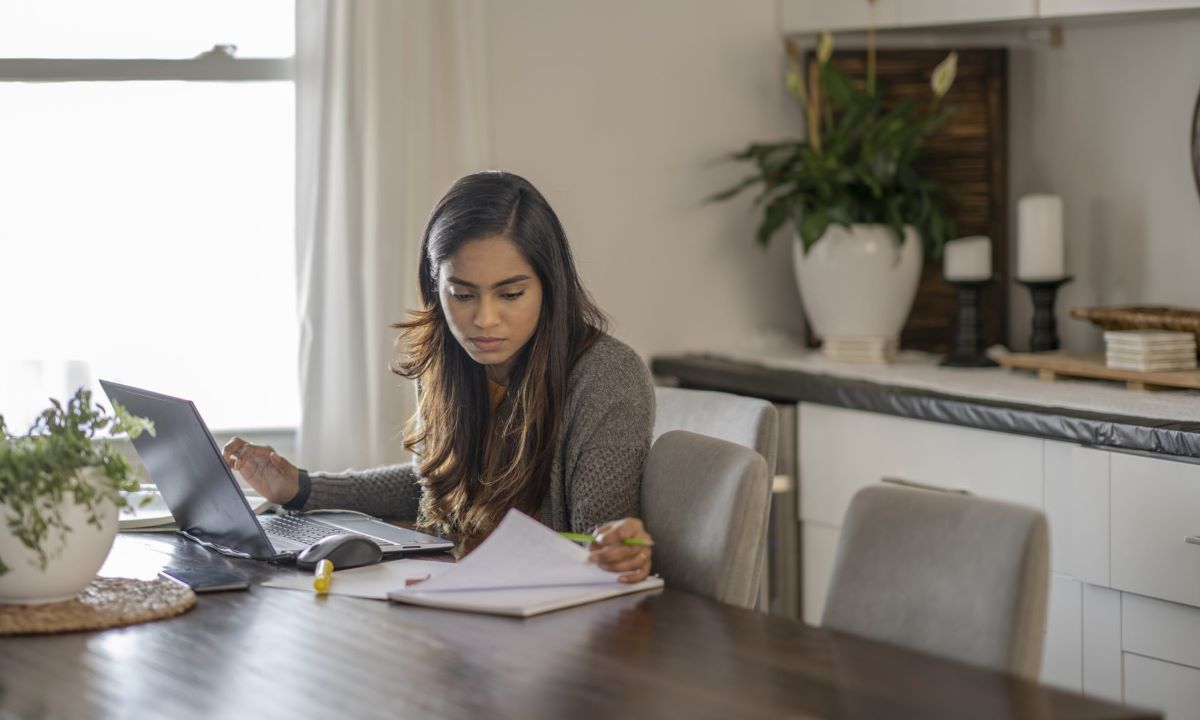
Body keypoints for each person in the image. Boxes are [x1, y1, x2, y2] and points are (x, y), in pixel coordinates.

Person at [224, 171, 654, 583]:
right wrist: (300, 487)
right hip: (445, 591)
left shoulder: (607, 377)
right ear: (435, 286)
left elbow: (601, 546)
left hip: (540, 615)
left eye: (511, 294)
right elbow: (432, 482)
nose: (484, 319)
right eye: (462, 294)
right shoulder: (446, 360)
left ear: (550, 286)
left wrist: (620, 546)